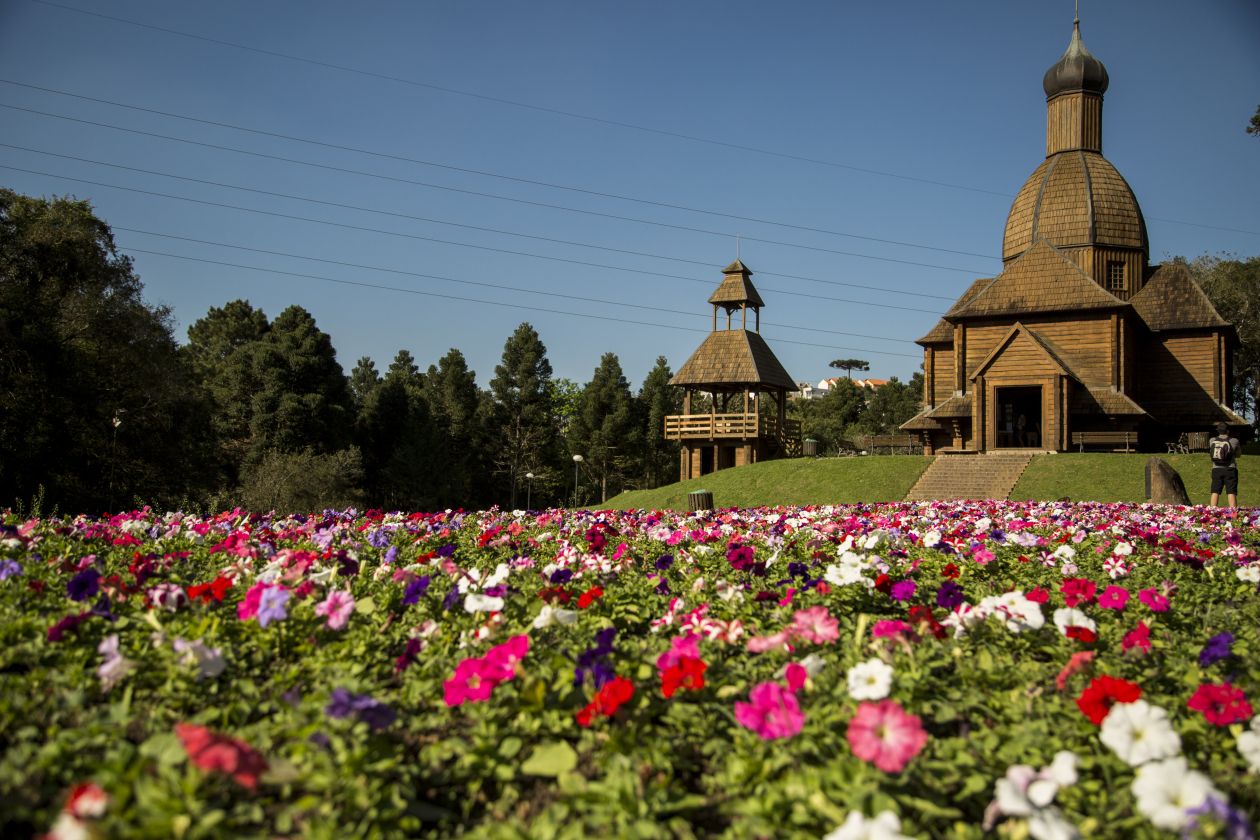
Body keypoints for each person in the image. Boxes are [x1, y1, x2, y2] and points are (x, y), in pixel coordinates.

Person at [1208, 422, 1240, 508]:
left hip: (1216, 469)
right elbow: (1238, 455)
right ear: (1228, 431)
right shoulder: (1234, 441)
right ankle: (1233, 513)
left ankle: (1212, 511)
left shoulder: (1212, 440)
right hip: (1230, 469)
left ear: (1218, 431)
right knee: (1231, 491)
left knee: (1215, 491)